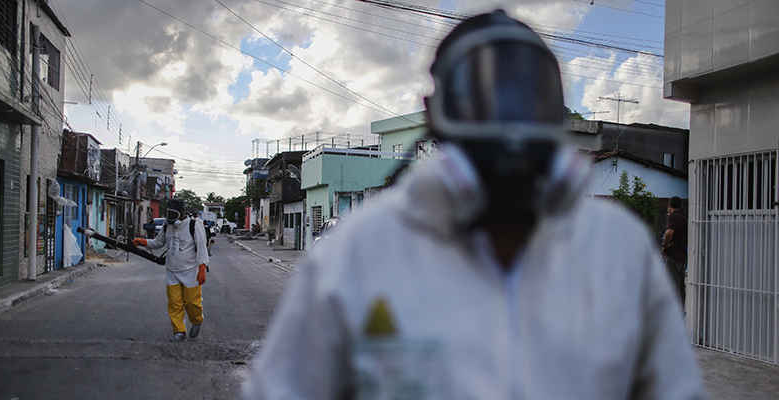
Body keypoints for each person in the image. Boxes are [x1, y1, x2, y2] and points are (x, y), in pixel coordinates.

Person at [243, 10, 706, 399]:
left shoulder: (620, 251)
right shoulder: (356, 254)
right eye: (483, 96)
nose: (507, 123)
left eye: (526, 95)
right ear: (435, 114)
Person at [133, 198, 209, 342]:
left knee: (192, 303)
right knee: (174, 303)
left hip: (190, 271)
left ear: (182, 213)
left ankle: (197, 320)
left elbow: (201, 247)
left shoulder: (194, 225)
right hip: (172, 271)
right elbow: (158, 243)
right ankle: (179, 331)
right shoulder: (167, 226)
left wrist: (202, 268)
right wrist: (143, 242)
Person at [662, 196, 688, 308]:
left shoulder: (672, 217)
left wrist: (665, 245)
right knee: (681, 285)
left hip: (672, 254)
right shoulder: (684, 218)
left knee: (672, 283)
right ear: (681, 206)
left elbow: (669, 232)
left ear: (669, 205)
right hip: (682, 255)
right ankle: (681, 309)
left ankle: (674, 311)